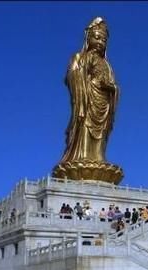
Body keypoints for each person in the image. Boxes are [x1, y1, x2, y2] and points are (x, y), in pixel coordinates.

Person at [57, 17, 118, 165]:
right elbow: (72, 74)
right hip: (87, 98)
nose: (100, 42)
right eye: (96, 38)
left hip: (103, 103)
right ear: (88, 38)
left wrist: (112, 87)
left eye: (103, 40)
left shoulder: (106, 64)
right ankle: (82, 156)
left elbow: (111, 83)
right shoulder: (81, 57)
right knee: (85, 125)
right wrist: (84, 79)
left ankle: (98, 157)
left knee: (102, 131)